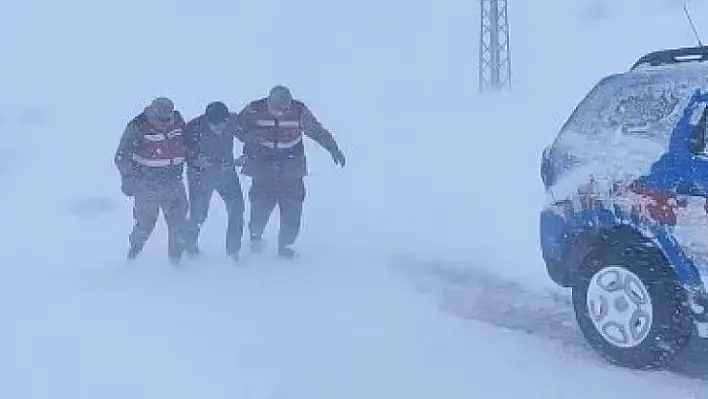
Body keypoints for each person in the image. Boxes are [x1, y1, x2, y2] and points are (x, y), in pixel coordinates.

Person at [227, 85, 346, 259]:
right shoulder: (254, 109)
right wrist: (250, 136)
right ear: (268, 102)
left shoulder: (299, 110)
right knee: (260, 204)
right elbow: (236, 127)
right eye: (276, 108)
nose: (280, 112)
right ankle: (255, 235)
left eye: (284, 109)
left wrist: (332, 148)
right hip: (263, 162)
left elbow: (316, 131)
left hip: (291, 163)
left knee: (293, 207)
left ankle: (285, 245)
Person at [114, 97, 189, 264]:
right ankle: (133, 255)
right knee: (145, 224)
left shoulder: (177, 121)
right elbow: (121, 157)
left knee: (179, 224)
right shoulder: (137, 126)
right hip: (147, 186)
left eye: (168, 120)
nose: (165, 124)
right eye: (161, 121)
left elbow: (186, 142)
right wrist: (127, 179)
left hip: (174, 183)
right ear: (152, 115)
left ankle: (175, 262)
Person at [183, 101, 245, 261]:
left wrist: (247, 155)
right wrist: (195, 158)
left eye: (222, 125)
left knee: (237, 209)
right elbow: (182, 149)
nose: (220, 129)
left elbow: (249, 136)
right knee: (199, 215)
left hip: (227, 173)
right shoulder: (192, 128)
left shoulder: (232, 121)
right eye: (215, 126)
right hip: (200, 176)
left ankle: (233, 251)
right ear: (207, 120)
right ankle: (189, 243)